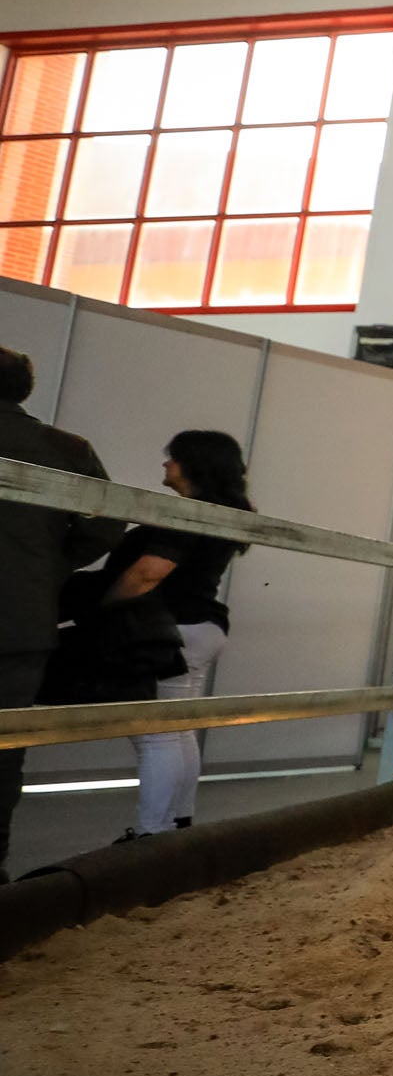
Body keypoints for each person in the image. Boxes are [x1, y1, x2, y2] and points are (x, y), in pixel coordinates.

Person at [0, 345, 124, 865]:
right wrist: (49, 565)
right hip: (20, 620)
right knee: (4, 749)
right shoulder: (66, 447)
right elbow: (107, 522)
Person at [108, 429, 251, 842]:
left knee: (156, 733)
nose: (165, 464)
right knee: (178, 728)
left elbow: (147, 573)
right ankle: (177, 825)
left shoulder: (189, 516)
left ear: (193, 464)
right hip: (201, 626)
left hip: (171, 629)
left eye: (172, 457)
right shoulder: (223, 512)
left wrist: (102, 606)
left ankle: (153, 834)